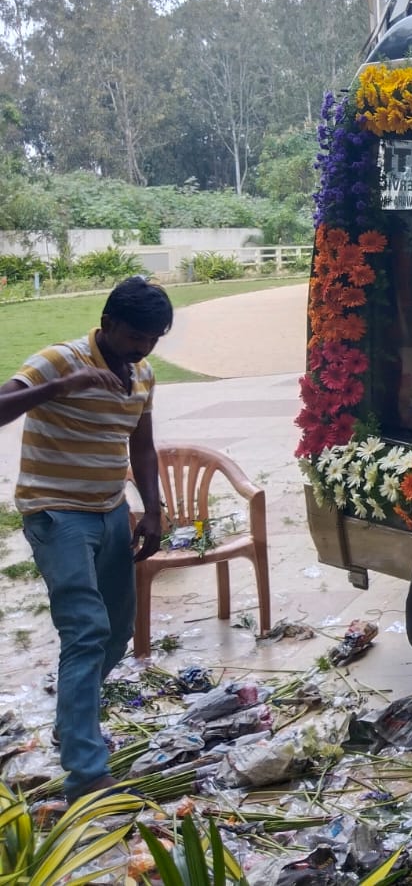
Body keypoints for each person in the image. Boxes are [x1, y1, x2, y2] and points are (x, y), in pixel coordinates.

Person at [0, 276, 172, 799]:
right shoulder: (59, 360)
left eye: (154, 339)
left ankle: (71, 720)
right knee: (86, 631)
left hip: (110, 510)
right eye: (136, 336)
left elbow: (142, 447)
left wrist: (153, 510)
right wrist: (58, 389)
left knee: (118, 630)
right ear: (108, 323)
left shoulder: (142, 373)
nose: (144, 347)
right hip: (56, 513)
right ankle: (87, 774)